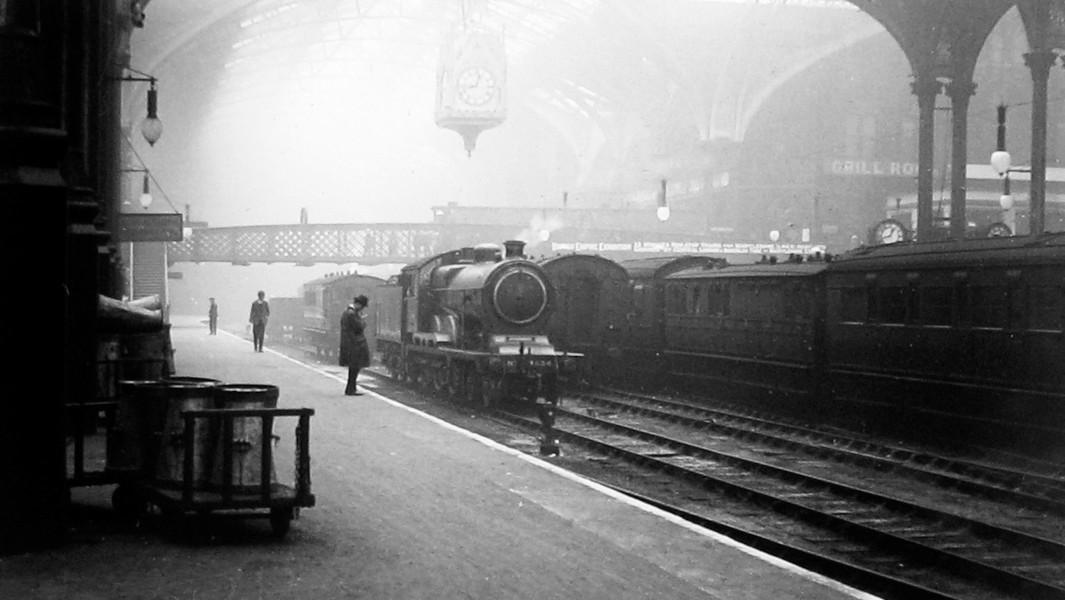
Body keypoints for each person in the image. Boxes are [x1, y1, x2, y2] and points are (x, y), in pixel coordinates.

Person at [339, 294, 370, 396]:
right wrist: (363, 321)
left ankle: (352, 388)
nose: (362, 309)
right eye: (362, 306)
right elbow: (358, 327)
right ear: (359, 304)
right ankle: (351, 389)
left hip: (350, 343)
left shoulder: (347, 312)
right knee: (354, 367)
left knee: (354, 367)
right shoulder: (352, 314)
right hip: (354, 344)